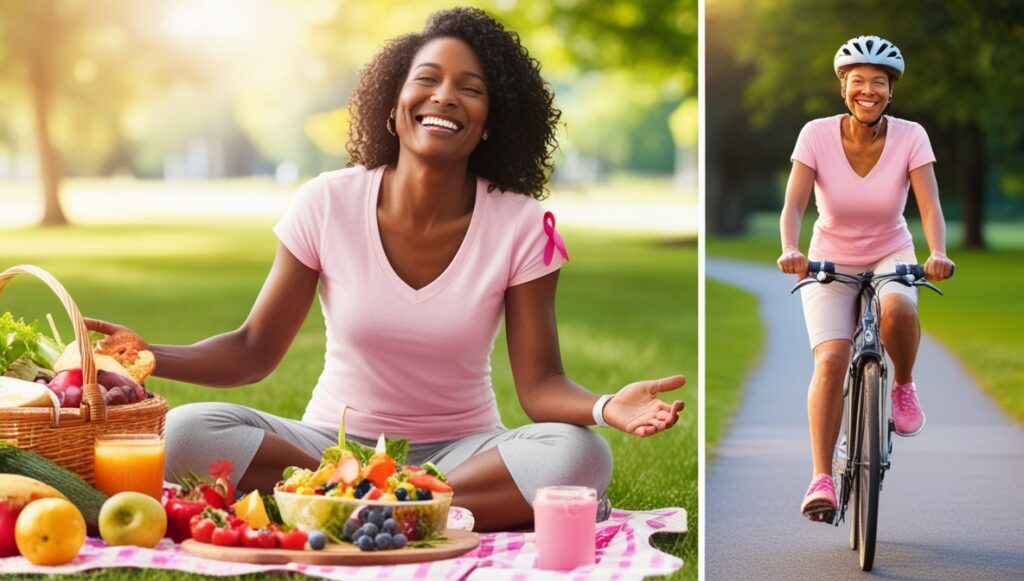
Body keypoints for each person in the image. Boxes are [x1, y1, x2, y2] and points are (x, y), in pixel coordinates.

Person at [86, 7, 685, 532]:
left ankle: (339, 506)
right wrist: (142, 357)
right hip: (328, 448)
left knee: (579, 456)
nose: (444, 96)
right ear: (393, 106)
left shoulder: (522, 224)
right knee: (185, 431)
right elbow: (252, 350)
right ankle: (408, 508)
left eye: (470, 88)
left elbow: (540, 385)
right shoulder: (327, 202)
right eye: (426, 79)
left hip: (463, 453)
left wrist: (606, 406)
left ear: (489, 123)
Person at [776, 35, 955, 523]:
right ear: (844, 88)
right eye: (858, 81)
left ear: (891, 91)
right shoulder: (815, 134)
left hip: (890, 252)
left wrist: (938, 253)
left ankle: (904, 385)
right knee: (832, 359)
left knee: (898, 308)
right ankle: (821, 478)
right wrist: (790, 249)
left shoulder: (912, 136)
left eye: (879, 82)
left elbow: (930, 206)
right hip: (829, 258)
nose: (868, 90)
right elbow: (793, 204)